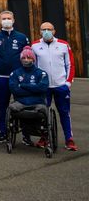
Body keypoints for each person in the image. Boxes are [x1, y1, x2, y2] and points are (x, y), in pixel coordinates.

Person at [32, 22, 78, 151]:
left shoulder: (63, 45)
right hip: (44, 87)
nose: (46, 31)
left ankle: (69, 139)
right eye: (44, 29)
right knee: (42, 113)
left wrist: (67, 83)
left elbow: (70, 65)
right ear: (40, 31)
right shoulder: (35, 46)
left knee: (64, 112)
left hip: (60, 85)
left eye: (49, 29)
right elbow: (33, 67)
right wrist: (37, 83)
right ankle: (44, 138)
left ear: (54, 31)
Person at [0, 10, 29, 144]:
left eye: (8, 18)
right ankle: (3, 132)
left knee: (23, 104)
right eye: (4, 18)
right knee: (3, 105)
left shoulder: (22, 37)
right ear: (0, 21)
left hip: (19, 77)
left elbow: (27, 56)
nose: (6, 20)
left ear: (13, 20)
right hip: (1, 76)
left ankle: (26, 134)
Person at [8, 47, 49, 147]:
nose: (26, 60)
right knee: (12, 108)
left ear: (33, 59)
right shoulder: (15, 73)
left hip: (38, 103)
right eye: (24, 58)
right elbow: (14, 90)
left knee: (43, 110)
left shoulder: (41, 73)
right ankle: (25, 136)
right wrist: (34, 89)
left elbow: (42, 88)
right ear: (20, 59)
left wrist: (23, 86)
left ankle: (44, 137)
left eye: (29, 58)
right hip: (20, 102)